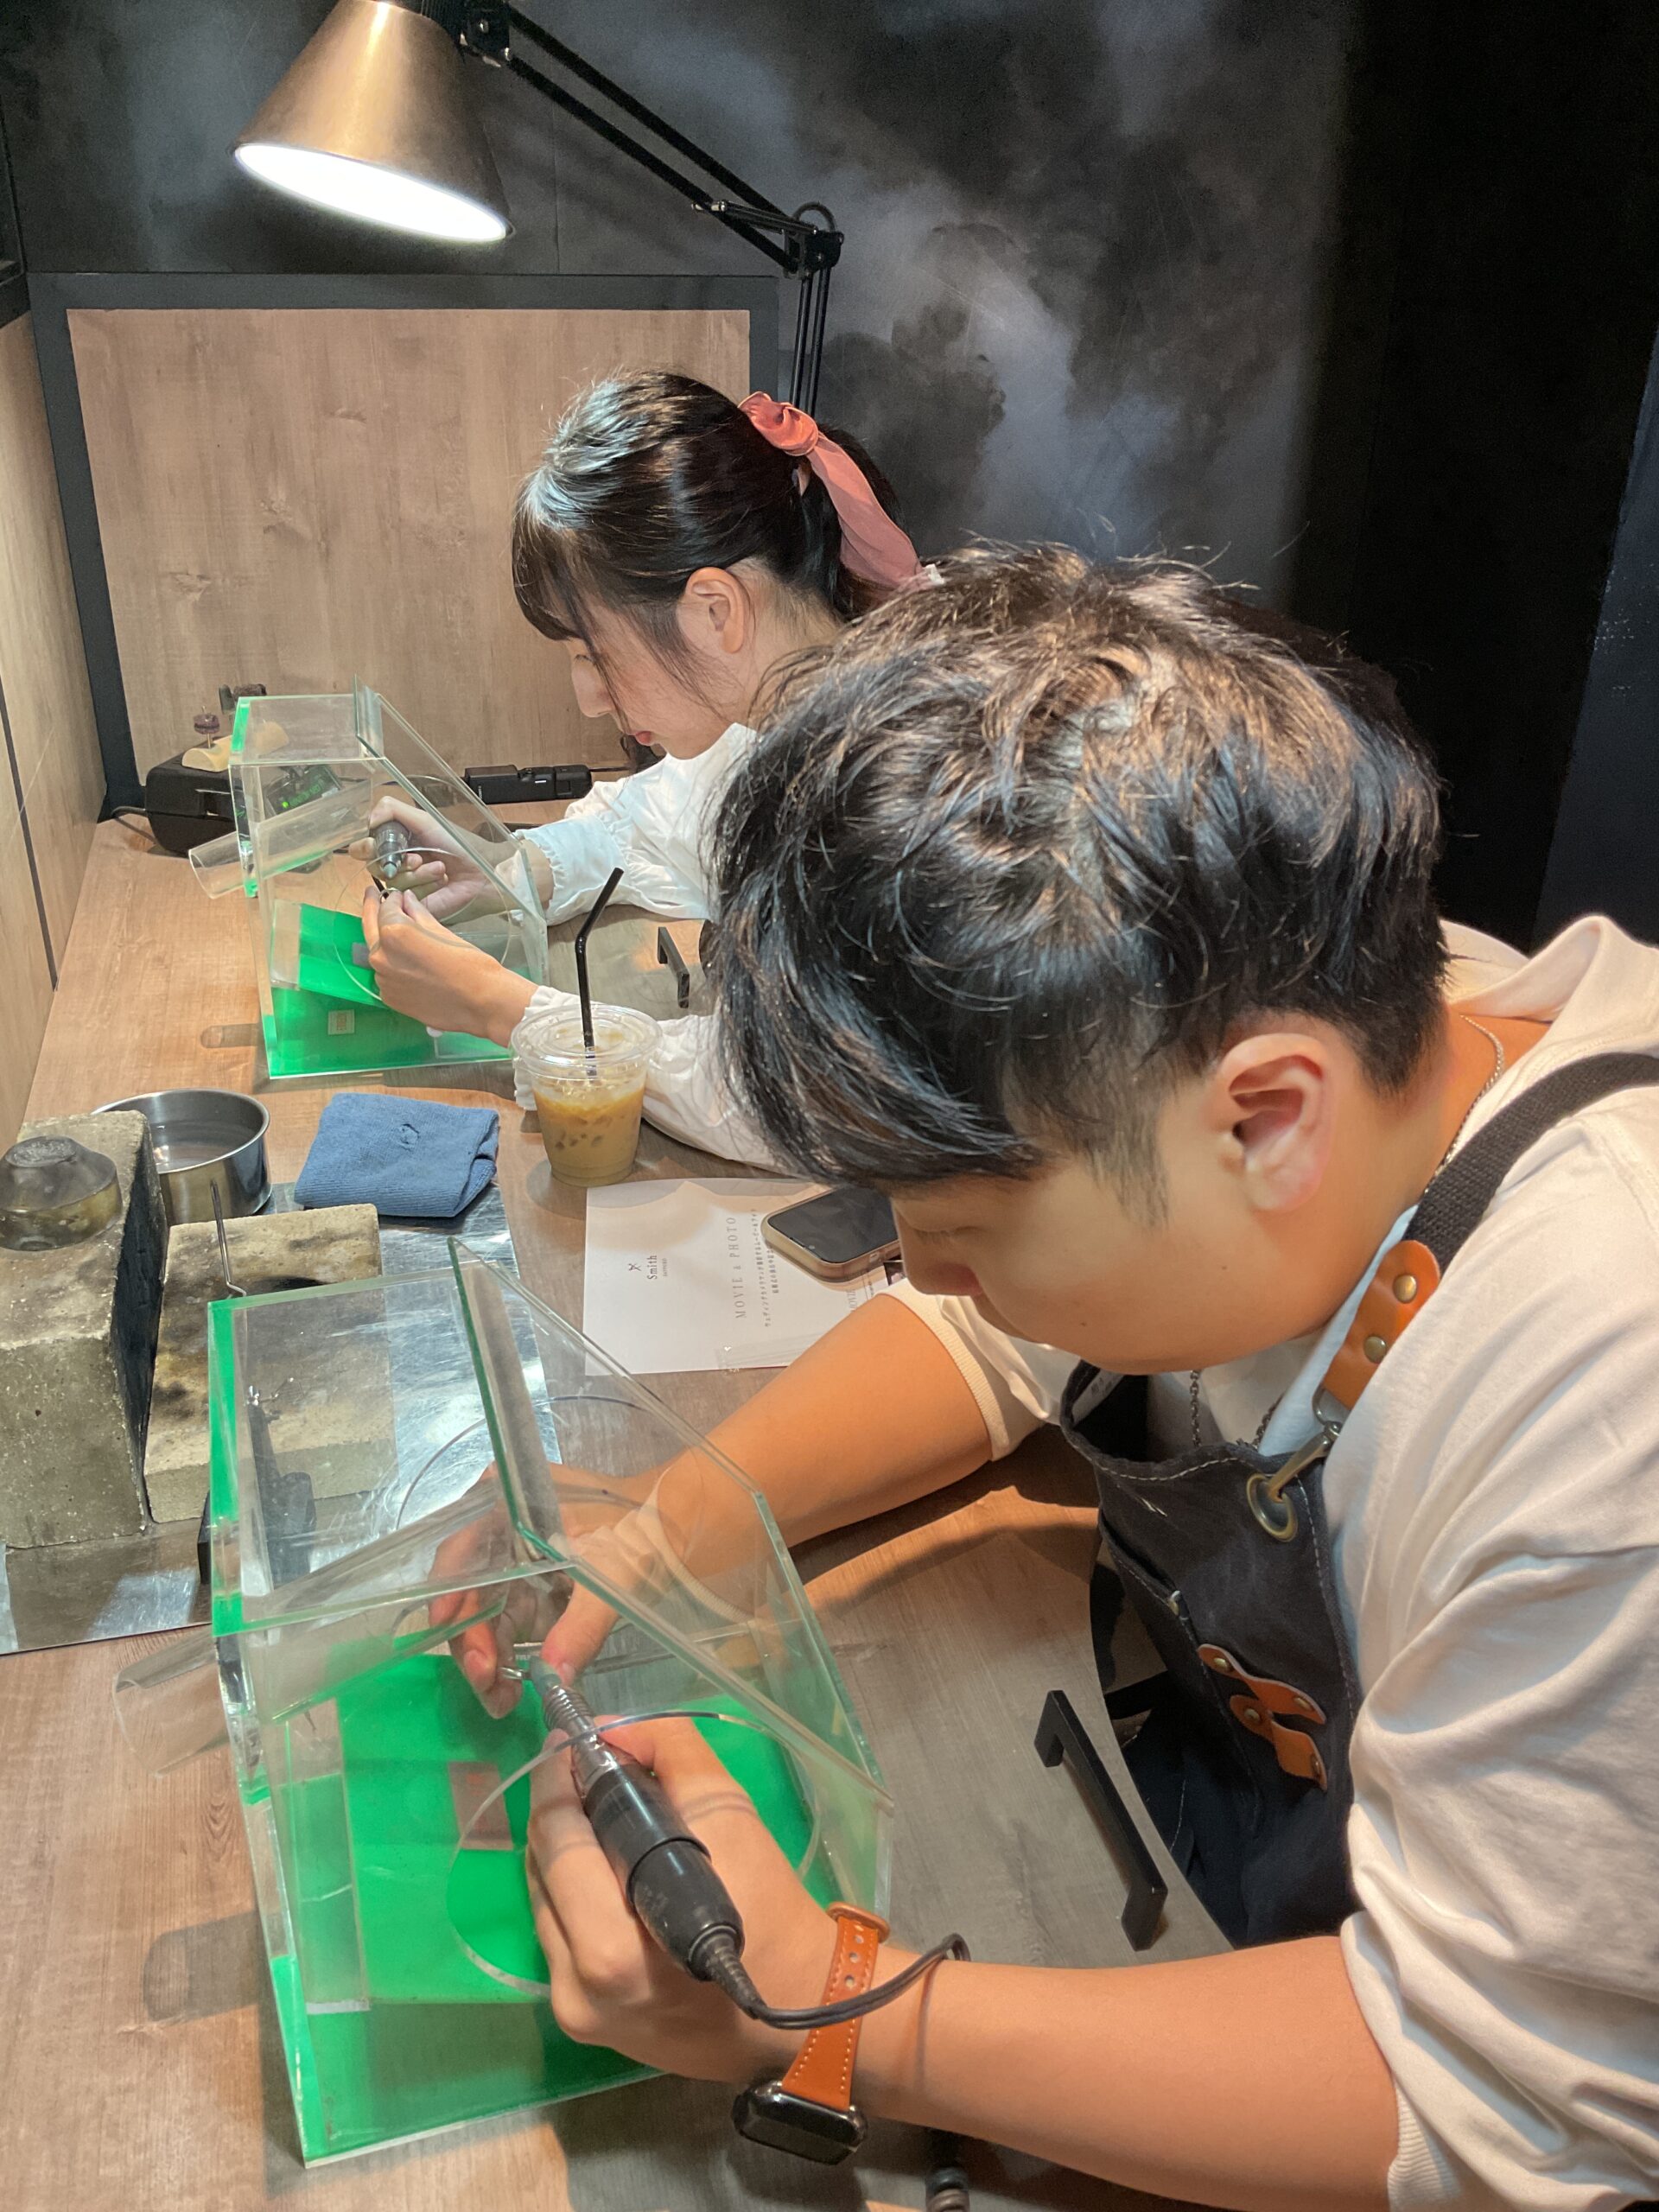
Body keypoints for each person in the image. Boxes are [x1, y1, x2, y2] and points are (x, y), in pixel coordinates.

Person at [467, 550, 1659, 2210]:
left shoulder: (1604, 1404)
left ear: (1268, 1121)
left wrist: (831, 2014)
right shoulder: (1273, 1009)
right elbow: (997, 1334)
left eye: (959, 1226)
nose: (920, 1270)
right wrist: (666, 1533)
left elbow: (1494, 2097)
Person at [357, 371, 926, 1163]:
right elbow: (657, 821)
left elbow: (789, 1099)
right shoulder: (783, 710)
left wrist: (500, 1008)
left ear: (715, 609)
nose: (590, 700)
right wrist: (513, 872)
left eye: (592, 653)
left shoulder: (892, 786)